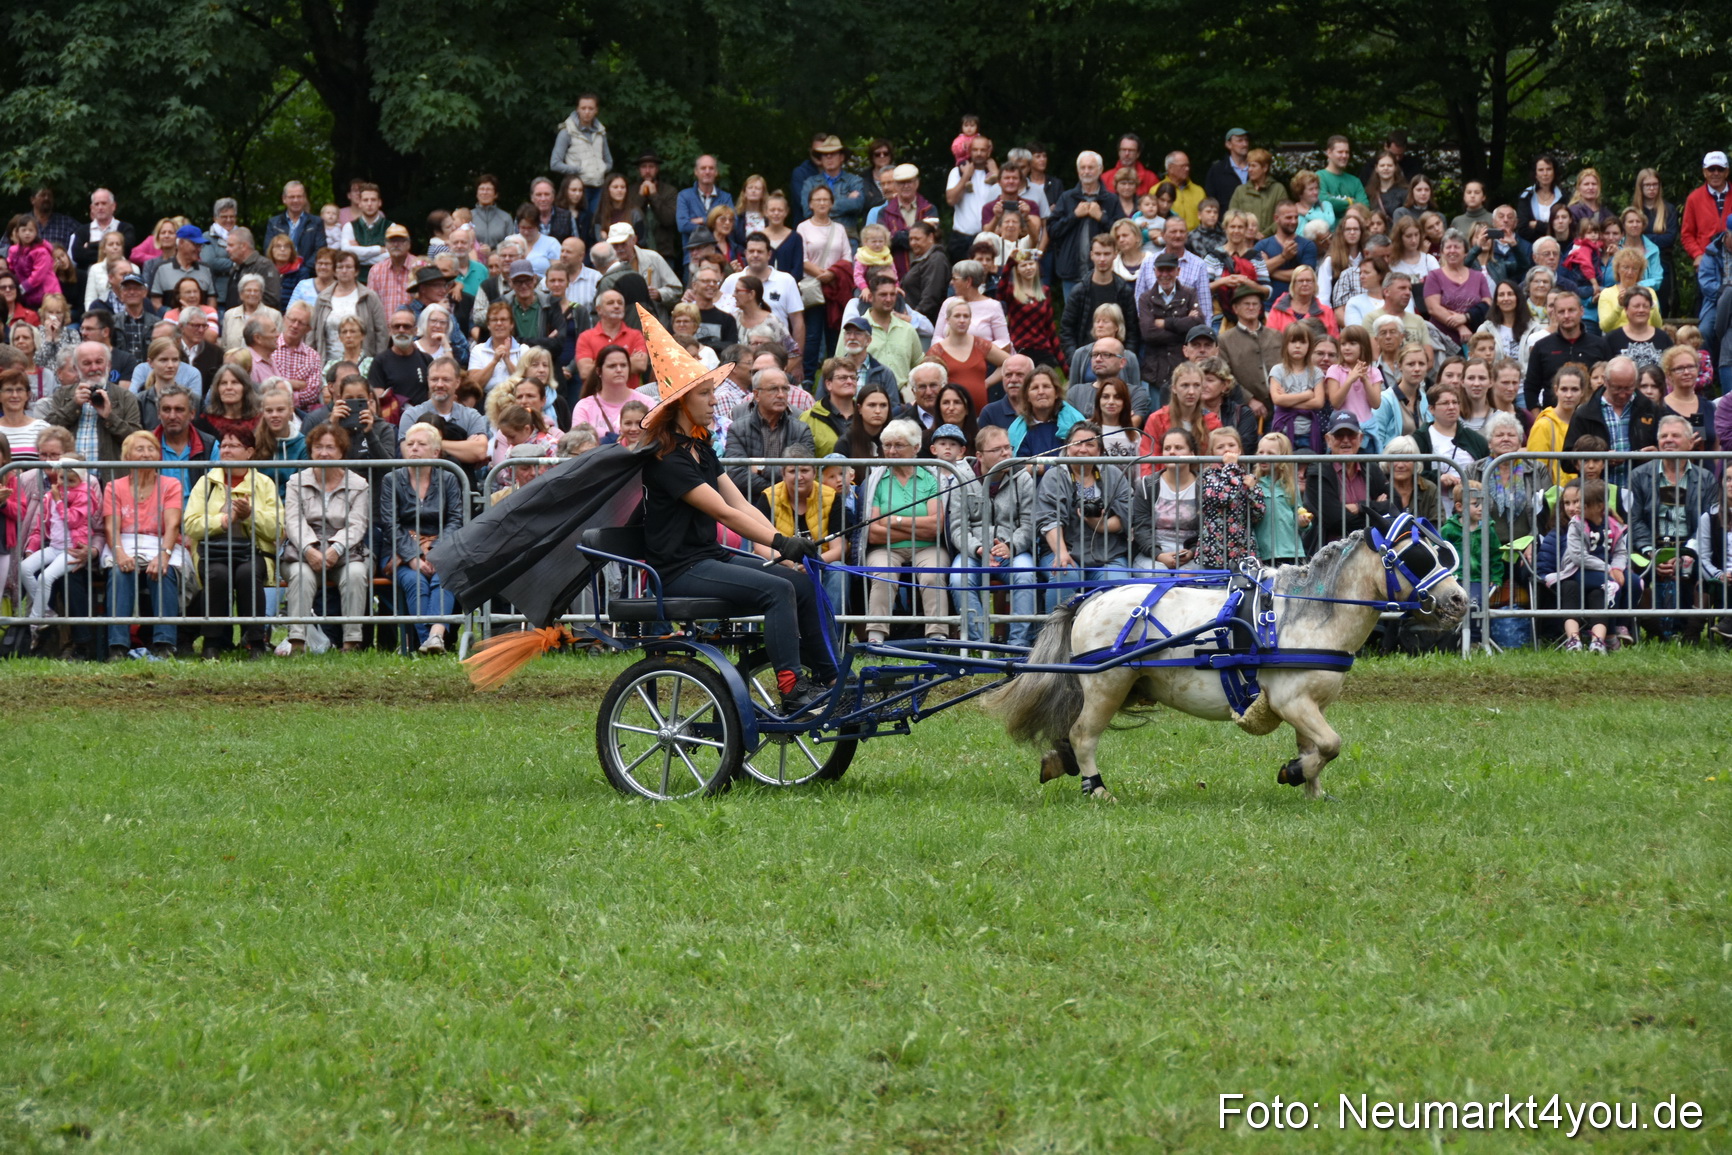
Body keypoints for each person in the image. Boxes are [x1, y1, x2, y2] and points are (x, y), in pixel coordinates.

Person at [183, 427, 280, 659]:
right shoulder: (206, 483)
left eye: (233, 446)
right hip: (213, 552)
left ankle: (255, 642)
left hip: (252, 551)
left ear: (249, 452)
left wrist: (250, 516)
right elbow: (191, 525)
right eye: (223, 445)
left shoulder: (264, 483)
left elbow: (277, 528)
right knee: (218, 575)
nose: (226, 450)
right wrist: (224, 520)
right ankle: (212, 643)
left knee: (247, 574)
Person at [281, 423, 370, 654]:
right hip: (303, 550)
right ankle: (297, 642)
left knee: (356, 574)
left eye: (330, 447)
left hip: (345, 551)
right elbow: (293, 521)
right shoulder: (295, 482)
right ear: (310, 450)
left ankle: (351, 642)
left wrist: (336, 549)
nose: (323, 453)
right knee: (301, 575)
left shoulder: (359, 484)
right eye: (318, 447)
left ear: (341, 451)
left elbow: (358, 523)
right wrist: (310, 550)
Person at [946, 423, 1038, 646]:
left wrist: (1011, 546)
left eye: (1008, 448)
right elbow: (958, 527)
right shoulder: (961, 479)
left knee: (1026, 575)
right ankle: (980, 644)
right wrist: (978, 549)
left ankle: (1018, 645)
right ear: (979, 455)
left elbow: (1028, 524)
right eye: (998, 450)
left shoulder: (1023, 478)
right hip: (975, 551)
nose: (1006, 454)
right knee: (959, 578)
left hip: (1011, 551)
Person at [381, 422, 464, 654]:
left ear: (436, 452)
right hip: (400, 551)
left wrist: (436, 553)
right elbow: (390, 524)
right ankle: (427, 642)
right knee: (415, 580)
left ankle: (435, 637)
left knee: (444, 577)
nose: (414, 448)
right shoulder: (391, 479)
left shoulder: (448, 479)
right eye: (410, 444)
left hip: (442, 548)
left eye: (421, 444)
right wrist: (413, 556)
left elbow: (456, 520)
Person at [1037, 421, 1131, 608]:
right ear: (1067, 448)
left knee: (1119, 589)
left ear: (1099, 450)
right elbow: (1048, 519)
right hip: (1065, 550)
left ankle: (1112, 637)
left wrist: (1099, 523)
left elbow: (1125, 516)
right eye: (1077, 444)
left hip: (1108, 554)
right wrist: (1061, 553)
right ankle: (1053, 634)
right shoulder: (1055, 475)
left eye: (1090, 444)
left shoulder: (1114, 474)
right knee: (1065, 574)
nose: (1083, 450)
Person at [1305, 411, 1388, 548]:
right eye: (1339, 435)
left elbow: (1394, 505)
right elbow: (1336, 520)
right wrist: (1377, 511)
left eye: (1351, 434)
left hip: (1370, 551)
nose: (1345, 440)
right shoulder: (1317, 473)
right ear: (1328, 439)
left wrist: (1360, 507)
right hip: (1330, 556)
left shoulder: (1371, 467)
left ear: (1360, 438)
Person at [1193, 426, 1264, 570]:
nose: (1227, 449)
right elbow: (1222, 498)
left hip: (1242, 547)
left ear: (1239, 450)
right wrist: (1230, 467)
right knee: (1215, 591)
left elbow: (1258, 513)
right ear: (1212, 452)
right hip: (1215, 548)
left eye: (1231, 445)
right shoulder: (1208, 476)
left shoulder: (1244, 476)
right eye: (1220, 447)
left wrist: (1252, 489)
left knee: (1244, 588)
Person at [1524, 292, 1610, 409]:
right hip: (1553, 419)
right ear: (1554, 314)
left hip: (1592, 419)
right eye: (1561, 311)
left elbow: (1610, 384)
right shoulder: (1542, 347)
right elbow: (1531, 388)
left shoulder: (1600, 345)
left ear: (1581, 311)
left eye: (1571, 310)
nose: (1566, 315)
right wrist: (1539, 419)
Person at [1130, 427, 1200, 571]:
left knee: (1186, 577)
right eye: (1167, 448)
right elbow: (1141, 529)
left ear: (1192, 454)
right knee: (1158, 576)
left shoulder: (1206, 486)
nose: (1172, 452)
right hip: (1152, 554)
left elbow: (1208, 529)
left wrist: (1192, 552)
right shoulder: (1146, 485)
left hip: (1193, 554)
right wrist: (1159, 555)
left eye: (1178, 447)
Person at [933, 298, 1008, 412]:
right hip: (950, 414)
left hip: (979, 415)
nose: (962, 320)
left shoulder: (980, 344)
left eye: (966, 316)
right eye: (957, 316)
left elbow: (1010, 363)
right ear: (948, 319)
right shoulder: (938, 350)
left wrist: (987, 383)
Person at [1007, 365, 1083, 459]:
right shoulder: (1017, 430)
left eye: (1046, 386)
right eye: (1035, 388)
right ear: (1027, 396)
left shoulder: (1075, 422)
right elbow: (1019, 467)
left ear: (1056, 393)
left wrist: (1040, 467)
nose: (1041, 392)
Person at [1268, 323, 1324, 450]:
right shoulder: (1277, 370)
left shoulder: (1316, 372)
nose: (1297, 346)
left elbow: (1318, 402)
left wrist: (1287, 399)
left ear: (1309, 345)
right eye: (1293, 341)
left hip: (1308, 433)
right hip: (1283, 431)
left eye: (1303, 342)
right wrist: (1307, 395)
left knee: (1310, 468)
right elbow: (1277, 400)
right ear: (1285, 344)